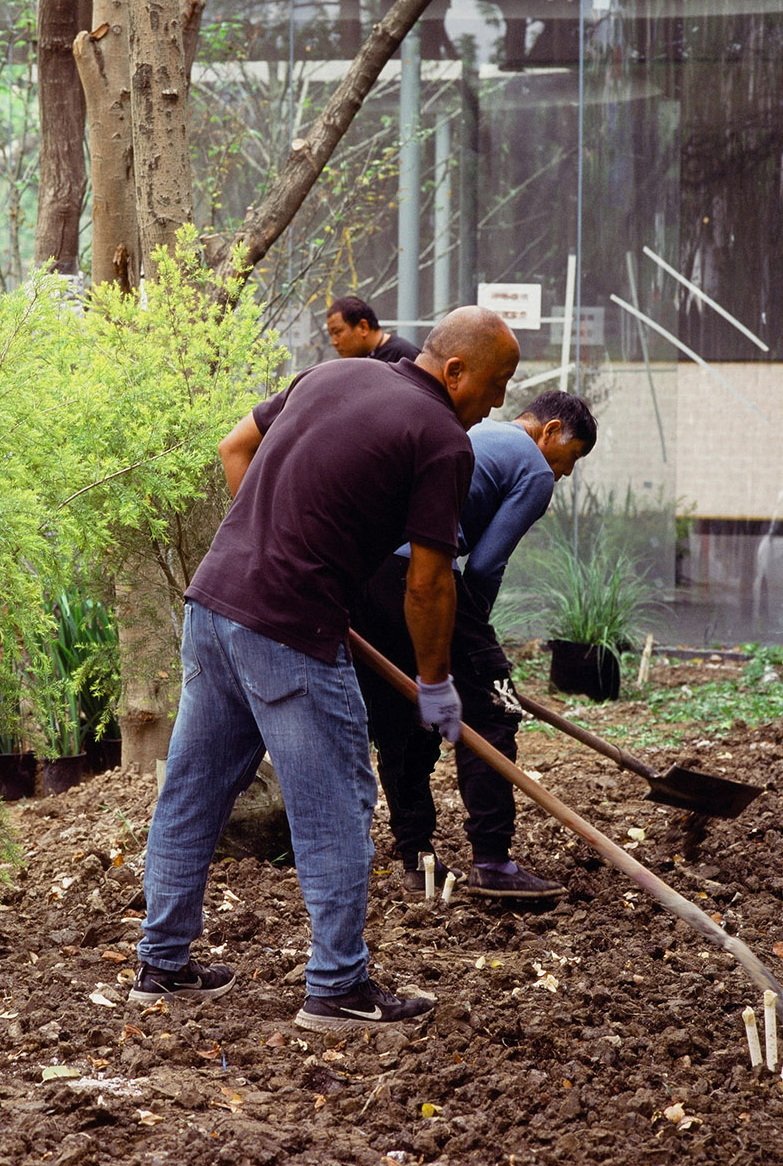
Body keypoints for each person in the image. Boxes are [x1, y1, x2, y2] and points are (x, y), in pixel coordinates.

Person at [128, 307, 521, 1031]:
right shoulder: (440, 439)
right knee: (337, 803)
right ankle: (338, 986)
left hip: (214, 605)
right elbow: (430, 583)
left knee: (191, 790)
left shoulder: (336, 373)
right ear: (458, 371)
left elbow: (234, 446)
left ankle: (162, 965)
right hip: (289, 630)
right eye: (497, 385)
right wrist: (436, 684)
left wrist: (279, 553)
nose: (496, 404)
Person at [351, 389, 597, 899]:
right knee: (494, 708)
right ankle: (493, 861)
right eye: (570, 458)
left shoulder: (480, 436)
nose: (565, 474)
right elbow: (484, 565)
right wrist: (476, 645)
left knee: (405, 717)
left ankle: (418, 860)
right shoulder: (532, 467)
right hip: (419, 574)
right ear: (549, 432)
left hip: (370, 577)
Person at [326, 294, 420, 363]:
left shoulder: (405, 357)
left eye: (337, 333)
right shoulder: (357, 360)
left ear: (363, 327)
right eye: (331, 335)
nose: (334, 342)